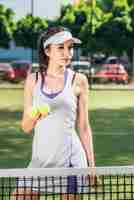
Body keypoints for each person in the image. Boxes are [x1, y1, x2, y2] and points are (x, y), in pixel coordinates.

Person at [11, 26, 95, 200]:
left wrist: (91, 166)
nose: (67, 53)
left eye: (70, 47)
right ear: (47, 50)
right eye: (61, 47)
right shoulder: (33, 80)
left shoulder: (79, 80)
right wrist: (35, 116)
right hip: (40, 160)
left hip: (70, 162)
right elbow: (26, 127)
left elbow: (84, 127)